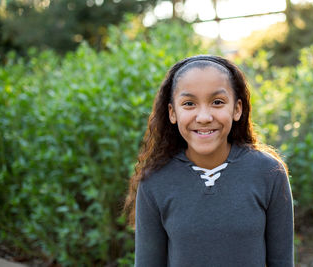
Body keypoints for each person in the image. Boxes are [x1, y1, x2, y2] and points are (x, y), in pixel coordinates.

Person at [124, 55, 294, 267]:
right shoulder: (154, 181)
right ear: (172, 112)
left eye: (217, 102)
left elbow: (282, 262)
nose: (204, 116)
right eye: (189, 104)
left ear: (237, 109)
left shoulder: (269, 173)